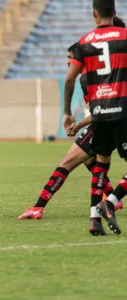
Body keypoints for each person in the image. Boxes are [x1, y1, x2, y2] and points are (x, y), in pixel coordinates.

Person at [18, 16, 127, 224]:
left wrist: (75, 123)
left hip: (105, 123)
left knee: (69, 162)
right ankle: (111, 198)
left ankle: (39, 208)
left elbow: (98, 111)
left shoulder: (88, 77)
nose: (68, 62)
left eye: (70, 58)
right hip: (115, 120)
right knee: (88, 159)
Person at [64, 0, 127, 235]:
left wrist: (67, 112)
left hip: (99, 114)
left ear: (94, 14)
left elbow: (70, 78)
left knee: (101, 164)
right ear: (114, 12)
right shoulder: (123, 36)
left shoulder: (84, 42)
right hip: (122, 109)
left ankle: (94, 220)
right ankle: (109, 202)